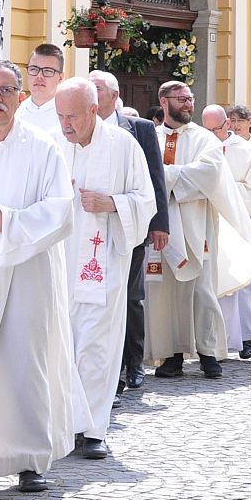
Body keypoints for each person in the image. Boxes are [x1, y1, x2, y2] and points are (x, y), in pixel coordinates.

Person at [0, 61, 77, 492]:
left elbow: (61, 209)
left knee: (25, 360)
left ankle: (30, 456)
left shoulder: (43, 146)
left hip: (29, 270)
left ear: (20, 97)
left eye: (6, 91)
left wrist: (7, 222)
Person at [56, 77, 155, 462]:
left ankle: (93, 428)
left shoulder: (123, 146)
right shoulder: (52, 143)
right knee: (61, 343)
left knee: (97, 345)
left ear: (95, 110)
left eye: (74, 117)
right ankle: (63, 424)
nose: (66, 126)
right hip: (60, 260)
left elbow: (146, 200)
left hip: (103, 261)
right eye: (61, 116)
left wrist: (112, 203)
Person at [149, 81, 251, 377]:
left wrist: (163, 178)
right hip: (161, 228)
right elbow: (143, 175)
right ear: (164, 102)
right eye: (182, 99)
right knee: (165, 294)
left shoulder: (205, 139)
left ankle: (209, 352)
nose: (188, 104)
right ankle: (171, 355)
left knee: (202, 292)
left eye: (190, 98)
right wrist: (170, 179)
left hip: (197, 226)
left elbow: (209, 175)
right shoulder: (151, 138)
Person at [89, 71, 169, 393]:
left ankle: (134, 364)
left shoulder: (140, 128)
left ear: (113, 94)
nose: (91, 95)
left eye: (96, 90)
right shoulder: (80, 124)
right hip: (91, 228)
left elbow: (154, 177)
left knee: (130, 296)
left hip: (130, 223)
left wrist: (159, 224)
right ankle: (107, 368)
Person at [205, 104, 251, 359]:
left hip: (241, 223)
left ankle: (247, 335)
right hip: (212, 223)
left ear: (227, 126)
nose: (211, 134)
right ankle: (217, 339)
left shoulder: (247, 151)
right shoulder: (203, 147)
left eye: (216, 129)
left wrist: (226, 192)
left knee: (243, 284)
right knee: (215, 280)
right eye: (207, 129)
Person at [19, 43, 65, 136]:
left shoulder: (68, 116)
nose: (39, 76)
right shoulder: (15, 114)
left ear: (60, 77)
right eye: (34, 69)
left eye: (47, 71)